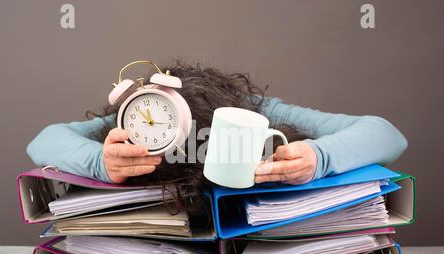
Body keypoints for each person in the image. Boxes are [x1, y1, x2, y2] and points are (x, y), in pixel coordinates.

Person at [26, 61, 408, 210]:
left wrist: (319, 158)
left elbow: (386, 134)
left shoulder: (259, 109)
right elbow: (44, 140)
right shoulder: (130, 121)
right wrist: (100, 162)